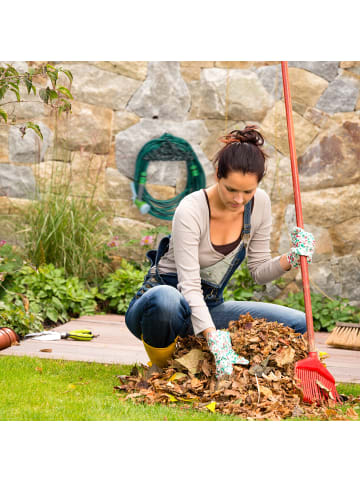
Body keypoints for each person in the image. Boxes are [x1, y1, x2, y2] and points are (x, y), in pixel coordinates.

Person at [125, 126, 315, 378]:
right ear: (217, 175)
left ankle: (235, 370)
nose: (239, 200)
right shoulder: (191, 210)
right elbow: (189, 287)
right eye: (231, 189)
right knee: (166, 300)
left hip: (208, 307)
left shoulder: (260, 205)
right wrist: (215, 338)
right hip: (161, 308)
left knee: (299, 323)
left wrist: (291, 258)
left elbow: (258, 272)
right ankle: (162, 371)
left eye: (247, 191)